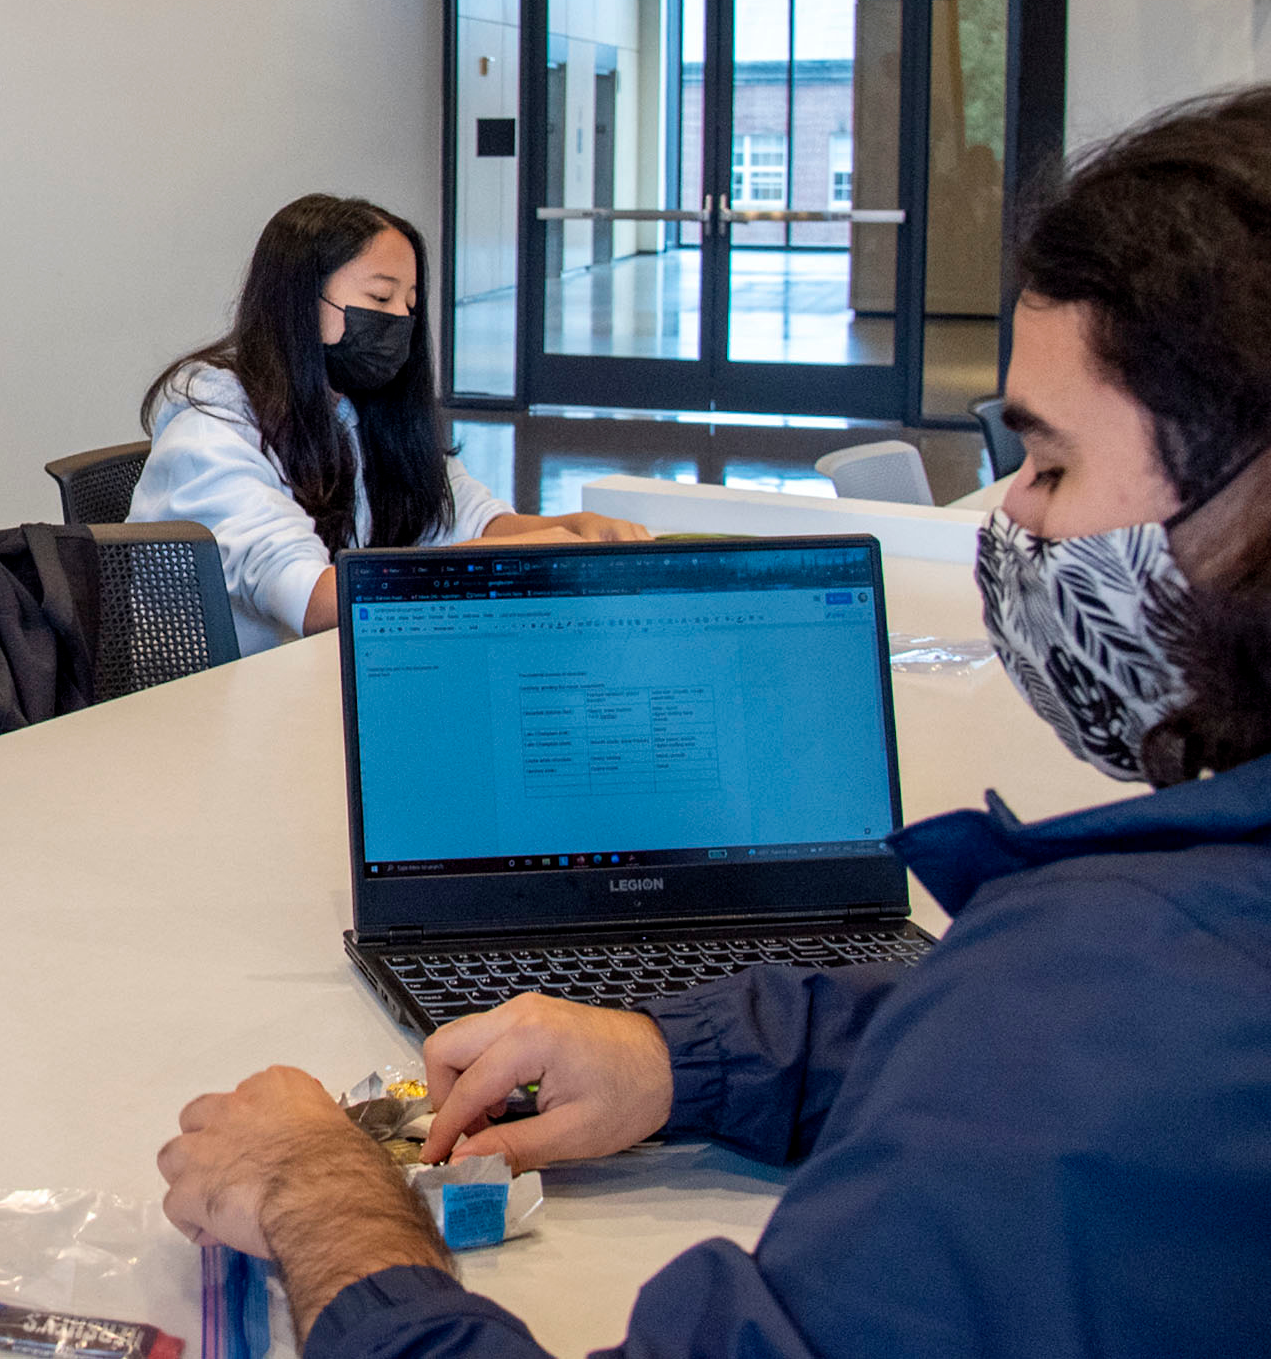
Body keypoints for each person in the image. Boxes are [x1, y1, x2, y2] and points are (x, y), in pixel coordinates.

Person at [155, 86, 1271, 1359]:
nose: (1015, 516)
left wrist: (327, 1198)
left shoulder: (1124, 1003)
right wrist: (682, 1056)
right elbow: (312, 588)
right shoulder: (217, 412)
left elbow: (1057, 1059)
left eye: (1054, 465)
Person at [127, 194, 644, 652]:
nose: (400, 320)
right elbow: (315, 600)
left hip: (315, 678)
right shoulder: (211, 428)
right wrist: (519, 553)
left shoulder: (351, 406)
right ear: (302, 303)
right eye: (380, 298)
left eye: (410, 304)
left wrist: (571, 530)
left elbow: (457, 515)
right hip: (209, 708)